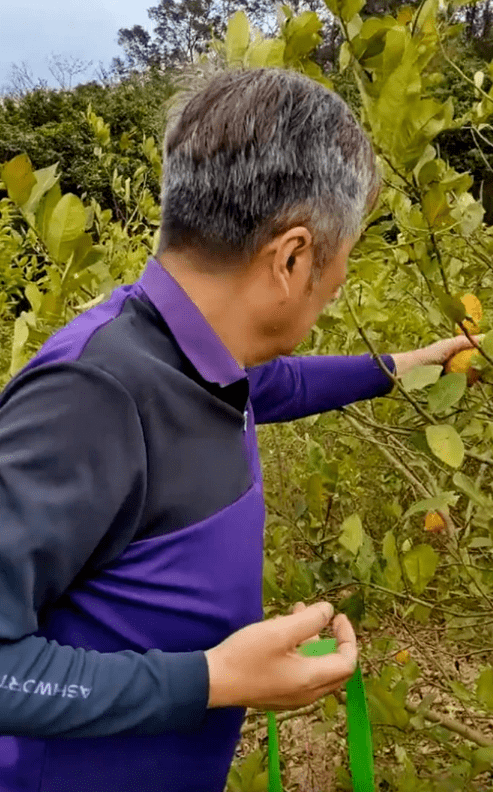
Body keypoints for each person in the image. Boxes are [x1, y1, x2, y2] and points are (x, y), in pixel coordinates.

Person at [0, 66, 479, 792]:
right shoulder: (93, 393)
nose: (332, 292)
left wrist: (404, 367)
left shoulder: (197, 353)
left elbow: (271, 385)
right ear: (290, 258)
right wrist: (212, 679)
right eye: (338, 271)